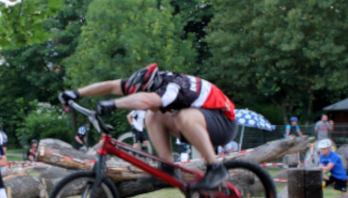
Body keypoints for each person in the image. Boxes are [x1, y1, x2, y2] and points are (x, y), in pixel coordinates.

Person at [59, 63, 237, 190]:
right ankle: (168, 169)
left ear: (152, 87)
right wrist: (75, 93)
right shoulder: (150, 82)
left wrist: (112, 104)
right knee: (154, 114)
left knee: (183, 115)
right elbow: (111, 85)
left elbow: (146, 100)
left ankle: (215, 168)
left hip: (224, 124)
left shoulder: (171, 88)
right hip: (203, 123)